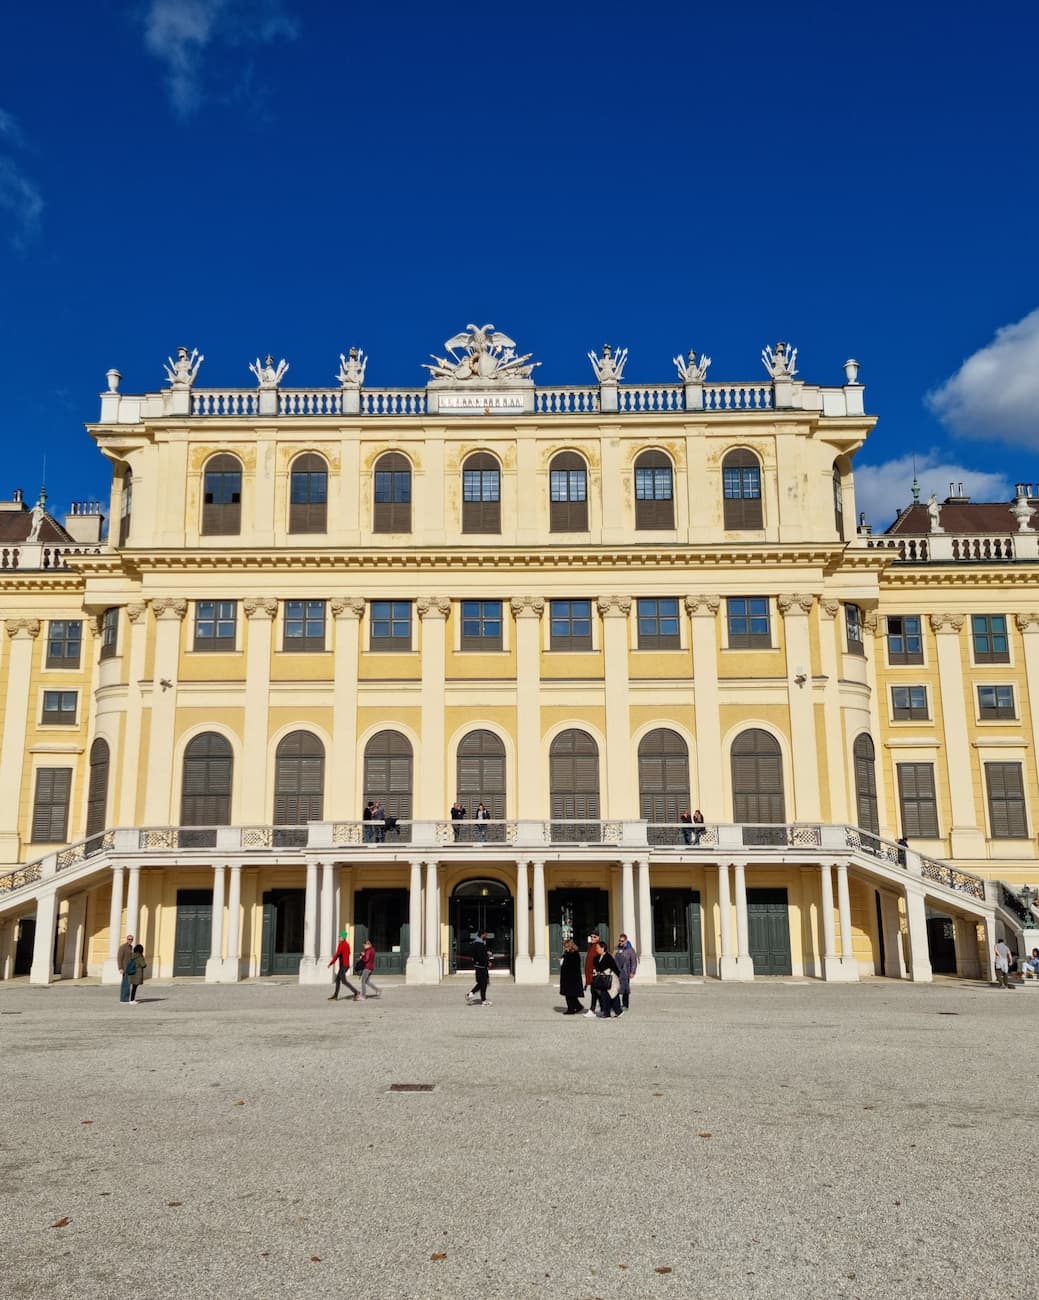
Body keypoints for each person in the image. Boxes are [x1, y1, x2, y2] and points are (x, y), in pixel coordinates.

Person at [591, 939, 622, 1018]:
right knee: (605, 995)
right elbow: (596, 967)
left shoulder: (608, 957)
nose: (596, 949)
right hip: (602, 979)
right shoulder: (597, 957)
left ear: (603, 948)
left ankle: (617, 1011)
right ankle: (607, 1012)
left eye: (598, 948)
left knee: (613, 995)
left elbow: (614, 967)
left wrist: (619, 977)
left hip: (609, 979)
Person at [327, 930, 360, 1001]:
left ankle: (356, 992)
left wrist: (331, 963)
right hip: (346, 965)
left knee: (343, 981)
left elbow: (337, 954)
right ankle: (335, 996)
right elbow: (348, 953)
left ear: (343, 937)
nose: (339, 937)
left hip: (343, 965)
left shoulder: (341, 944)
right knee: (338, 980)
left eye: (340, 936)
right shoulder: (347, 944)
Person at [466, 930, 493, 1006]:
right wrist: (487, 962)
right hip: (481, 966)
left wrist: (487, 953)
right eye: (486, 935)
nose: (486, 936)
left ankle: (472, 994)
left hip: (480, 966)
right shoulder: (478, 944)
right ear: (482, 935)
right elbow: (479, 956)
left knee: (482, 983)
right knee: (483, 983)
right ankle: (482, 1000)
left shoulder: (478, 943)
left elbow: (479, 954)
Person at [559, 938, 585, 1014]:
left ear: (570, 946)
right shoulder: (567, 953)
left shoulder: (574, 954)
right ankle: (578, 1006)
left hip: (572, 978)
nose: (565, 948)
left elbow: (573, 965)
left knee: (569, 995)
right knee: (571, 995)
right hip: (567, 977)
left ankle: (571, 1009)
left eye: (566, 946)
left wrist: (564, 960)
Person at [614, 933, 638, 1011]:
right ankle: (615, 1004)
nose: (620, 942)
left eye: (622, 941)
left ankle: (625, 1005)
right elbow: (613, 958)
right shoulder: (617, 948)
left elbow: (634, 962)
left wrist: (632, 972)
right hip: (617, 972)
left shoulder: (630, 950)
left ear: (626, 941)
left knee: (625, 989)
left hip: (626, 972)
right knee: (615, 988)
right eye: (619, 940)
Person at [583, 931, 602, 1017]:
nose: (592, 938)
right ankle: (602, 1009)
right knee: (596, 992)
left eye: (594, 937)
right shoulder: (591, 946)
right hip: (591, 974)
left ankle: (592, 1010)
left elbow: (601, 958)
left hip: (595, 974)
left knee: (596, 992)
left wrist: (596, 969)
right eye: (591, 937)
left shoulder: (598, 946)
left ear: (598, 937)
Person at [117, 933, 135, 1004]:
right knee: (125, 984)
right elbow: (119, 958)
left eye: (131, 939)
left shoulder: (131, 947)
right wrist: (120, 968)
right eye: (129, 939)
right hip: (124, 968)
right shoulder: (123, 947)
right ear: (127, 939)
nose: (130, 940)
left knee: (128, 984)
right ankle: (123, 999)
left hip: (129, 968)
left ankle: (126, 999)